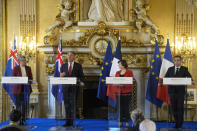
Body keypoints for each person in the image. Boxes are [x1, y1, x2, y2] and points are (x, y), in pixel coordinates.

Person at [164, 55, 192, 128]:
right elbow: (165, 78)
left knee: (180, 108)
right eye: (175, 60)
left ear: (180, 61)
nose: (176, 62)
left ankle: (180, 124)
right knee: (174, 108)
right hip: (172, 92)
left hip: (180, 92)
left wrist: (190, 81)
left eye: (178, 60)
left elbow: (190, 78)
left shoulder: (184, 69)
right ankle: (177, 123)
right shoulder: (170, 69)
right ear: (174, 61)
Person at [60, 51, 85, 127]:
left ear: (74, 57)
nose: (69, 57)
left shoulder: (78, 66)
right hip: (65, 88)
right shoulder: (63, 66)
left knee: (73, 105)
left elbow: (81, 76)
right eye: (68, 55)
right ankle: (68, 122)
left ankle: (72, 122)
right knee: (67, 105)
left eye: (71, 55)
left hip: (74, 88)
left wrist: (81, 82)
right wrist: (61, 75)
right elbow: (60, 76)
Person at [107, 60, 133, 127]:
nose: (118, 66)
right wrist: (115, 84)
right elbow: (115, 81)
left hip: (127, 93)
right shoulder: (117, 72)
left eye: (119, 64)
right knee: (120, 108)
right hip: (119, 92)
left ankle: (127, 122)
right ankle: (120, 121)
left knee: (126, 108)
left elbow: (131, 82)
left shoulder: (130, 72)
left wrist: (124, 84)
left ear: (123, 65)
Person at [12, 56, 33, 125]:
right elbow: (13, 78)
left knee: (25, 106)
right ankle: (18, 120)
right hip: (18, 89)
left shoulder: (28, 68)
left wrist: (28, 80)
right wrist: (20, 79)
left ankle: (24, 120)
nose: (25, 62)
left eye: (25, 60)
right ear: (20, 61)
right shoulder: (16, 68)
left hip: (26, 88)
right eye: (23, 60)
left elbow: (31, 78)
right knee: (18, 106)